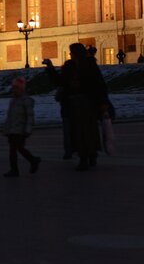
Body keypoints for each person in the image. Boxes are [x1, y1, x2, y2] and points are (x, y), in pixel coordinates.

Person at [45, 43, 110, 171]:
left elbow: (99, 84)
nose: (70, 55)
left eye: (72, 52)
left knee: (87, 131)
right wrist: (50, 67)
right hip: (75, 105)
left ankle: (89, 156)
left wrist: (103, 102)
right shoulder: (70, 66)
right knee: (79, 132)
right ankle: (85, 157)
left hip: (87, 104)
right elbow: (60, 82)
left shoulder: (89, 65)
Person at [2, 77, 41, 177]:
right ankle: (27, 163)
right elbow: (10, 117)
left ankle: (31, 161)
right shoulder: (13, 101)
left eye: (17, 88)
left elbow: (30, 117)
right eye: (14, 88)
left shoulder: (26, 101)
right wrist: (7, 129)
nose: (15, 90)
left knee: (17, 148)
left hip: (21, 130)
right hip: (12, 130)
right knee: (14, 150)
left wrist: (28, 129)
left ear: (22, 89)